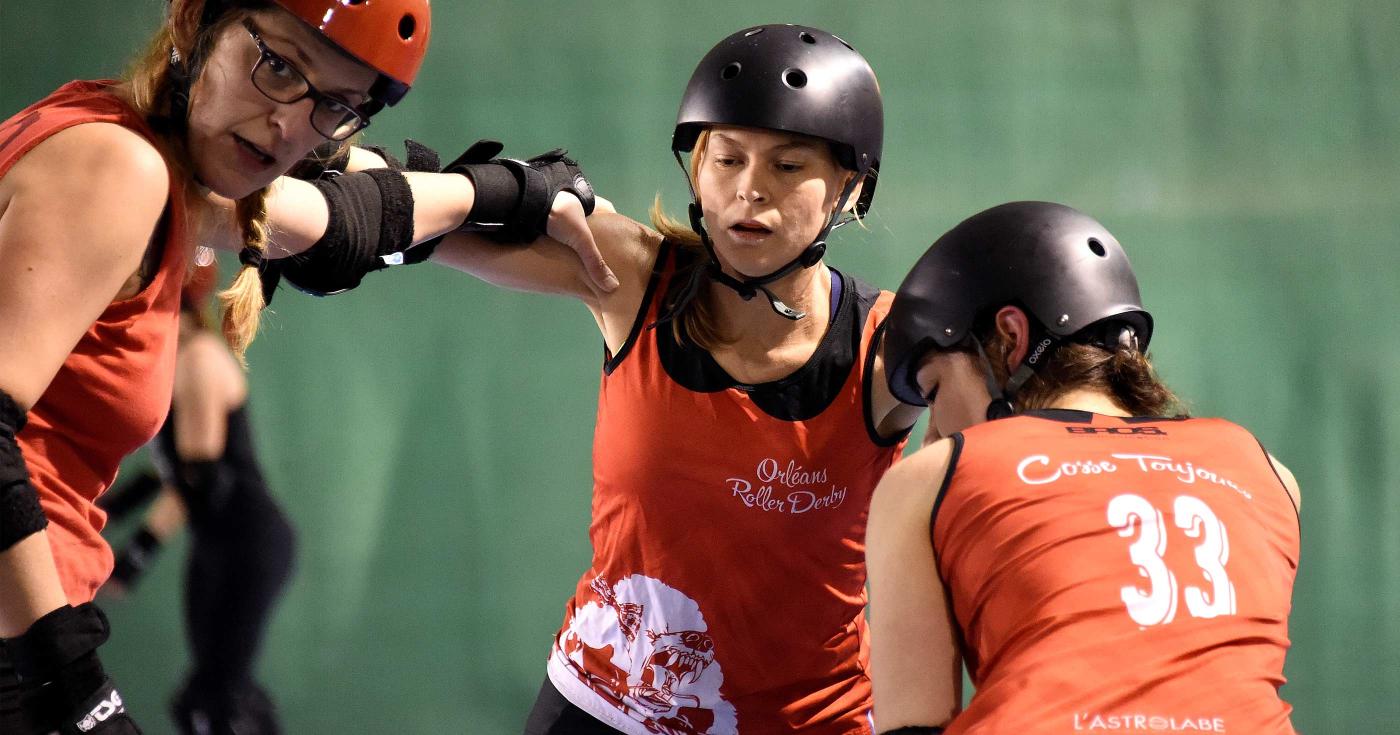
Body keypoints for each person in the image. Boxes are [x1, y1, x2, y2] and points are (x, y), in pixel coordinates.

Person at [0, 0, 607, 731]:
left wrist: (504, 191)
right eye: (278, 66)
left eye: (337, 106)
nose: (289, 123)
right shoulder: (117, 167)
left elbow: (338, 221)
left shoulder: (124, 146)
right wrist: (66, 684)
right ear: (193, 22)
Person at [409, 24, 923, 735]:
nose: (750, 191)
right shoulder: (635, 277)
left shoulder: (888, 344)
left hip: (804, 721)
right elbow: (419, 226)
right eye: (728, 158)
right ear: (697, 169)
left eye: (787, 165)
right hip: (600, 705)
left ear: (849, 186)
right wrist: (347, 202)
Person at [866, 201, 1301, 734]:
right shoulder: (1267, 472)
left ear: (1009, 338)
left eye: (934, 390)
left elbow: (912, 726)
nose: (933, 432)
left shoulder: (933, 477)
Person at [97, 262, 295, 734]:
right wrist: (101, 515)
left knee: (214, 701)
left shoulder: (200, 357)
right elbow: (169, 474)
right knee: (206, 698)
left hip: (250, 545)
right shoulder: (175, 363)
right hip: (218, 546)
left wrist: (133, 558)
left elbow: (198, 483)